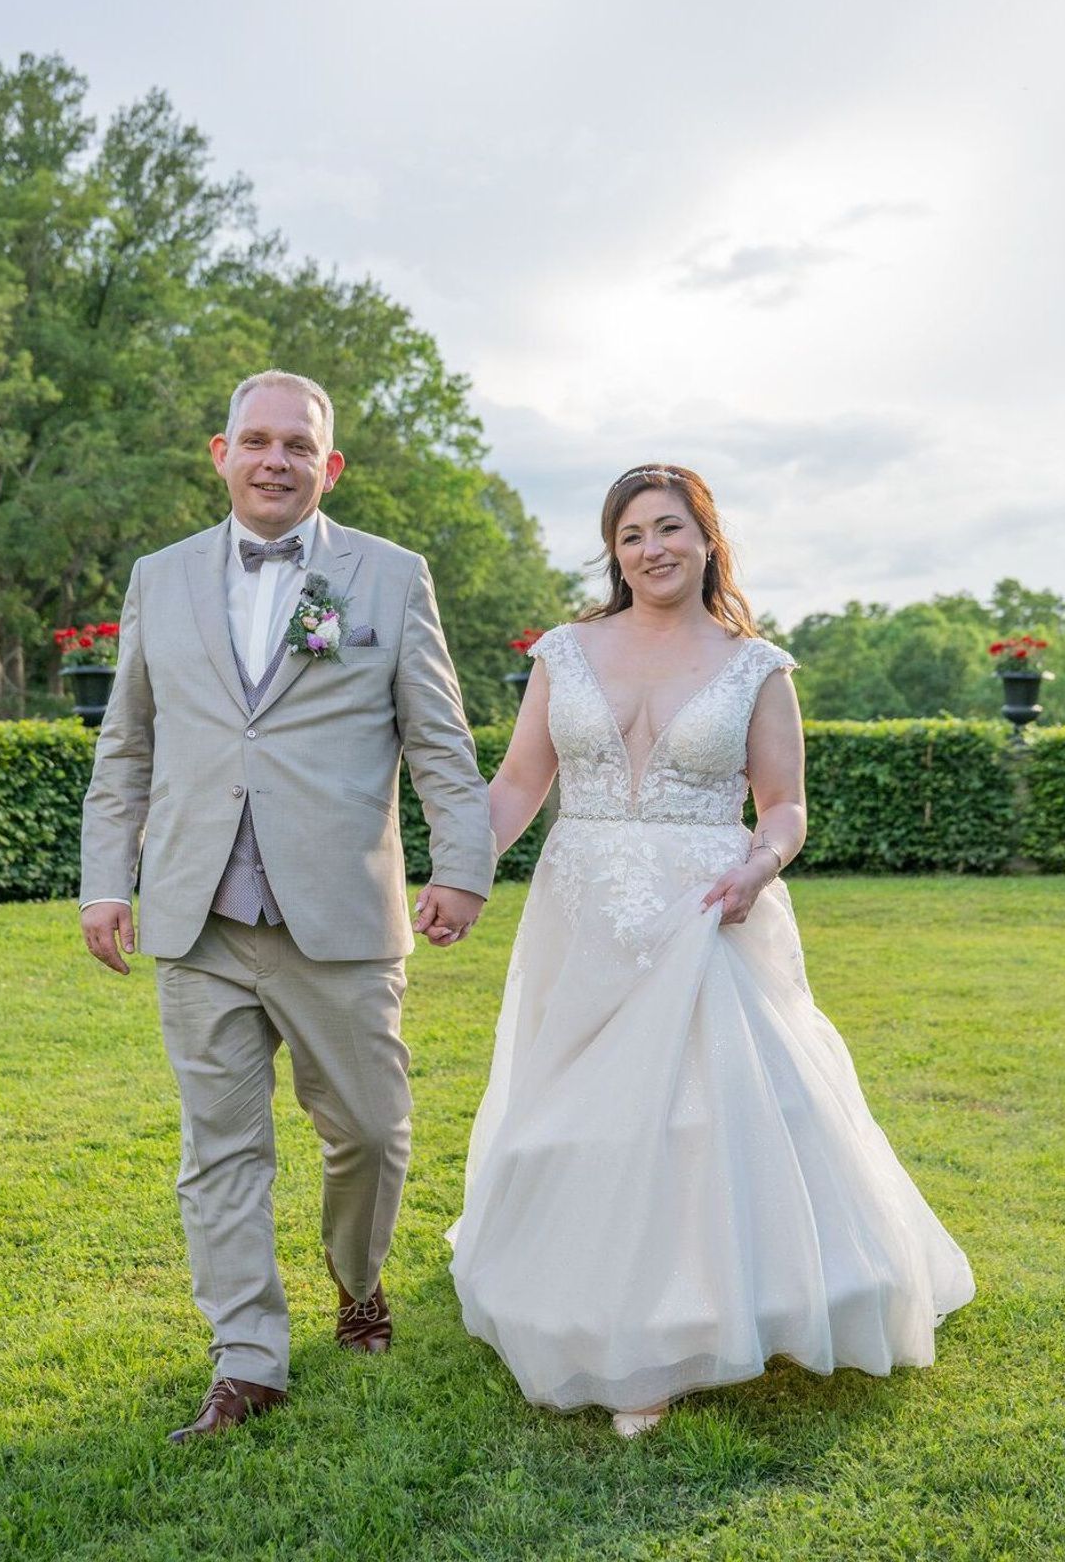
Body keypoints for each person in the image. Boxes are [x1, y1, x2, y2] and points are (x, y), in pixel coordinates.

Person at [448, 464, 975, 1438]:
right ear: (614, 551)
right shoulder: (563, 653)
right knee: (574, 1108)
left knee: (695, 1119)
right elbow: (519, 784)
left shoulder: (755, 666)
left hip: (706, 907)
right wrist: (461, 866)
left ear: (706, 538)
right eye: (633, 533)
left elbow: (786, 807)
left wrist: (760, 866)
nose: (653, 548)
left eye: (670, 528)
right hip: (583, 909)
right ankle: (588, 1303)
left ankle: (671, 1338)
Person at [81, 369, 495, 1443]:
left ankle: (356, 1277)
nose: (274, 460)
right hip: (198, 915)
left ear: (330, 464)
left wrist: (462, 864)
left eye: (296, 446)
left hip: (341, 916)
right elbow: (126, 743)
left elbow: (442, 745)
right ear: (220, 453)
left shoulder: (389, 578)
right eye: (254, 441)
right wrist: (102, 879)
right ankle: (248, 1358)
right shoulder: (158, 578)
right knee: (220, 1150)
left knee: (370, 1130)